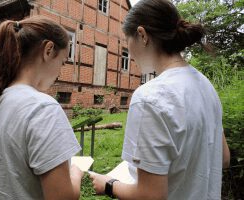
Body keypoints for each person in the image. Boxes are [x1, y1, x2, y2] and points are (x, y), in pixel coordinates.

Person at [90, 0, 230, 199]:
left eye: (127, 40)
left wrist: (108, 184)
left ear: (142, 35)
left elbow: (151, 195)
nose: (128, 51)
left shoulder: (150, 97)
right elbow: (223, 158)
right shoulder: (206, 86)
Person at [0, 16, 83, 200]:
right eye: (63, 62)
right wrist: (76, 174)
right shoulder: (42, 108)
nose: (59, 72)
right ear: (48, 50)